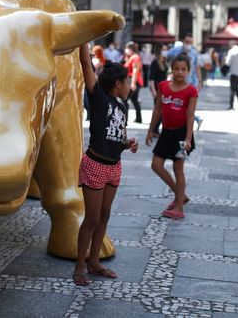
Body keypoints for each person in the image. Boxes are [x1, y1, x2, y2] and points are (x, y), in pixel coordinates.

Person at [73, 43, 138, 286]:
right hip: (95, 165)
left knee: (104, 215)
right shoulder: (97, 96)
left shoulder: (122, 107)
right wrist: (84, 40)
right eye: (127, 81)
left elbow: (116, 136)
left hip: (114, 166)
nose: (130, 85)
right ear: (118, 84)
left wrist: (127, 142)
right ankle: (80, 265)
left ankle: (94, 261)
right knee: (91, 219)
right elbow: (85, 64)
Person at [145, 54, 198, 219]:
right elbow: (157, 110)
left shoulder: (191, 91)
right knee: (156, 165)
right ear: (171, 69)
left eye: (183, 69)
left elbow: (190, 116)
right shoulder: (163, 86)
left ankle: (179, 207)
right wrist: (150, 130)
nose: (179, 72)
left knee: (178, 168)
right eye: (176, 68)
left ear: (188, 71)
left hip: (182, 135)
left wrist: (188, 139)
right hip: (166, 132)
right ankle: (180, 194)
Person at [123, 42, 144, 123]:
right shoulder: (131, 57)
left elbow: (135, 70)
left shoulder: (135, 57)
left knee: (125, 99)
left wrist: (133, 83)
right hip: (134, 81)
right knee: (134, 101)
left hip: (134, 81)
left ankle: (125, 118)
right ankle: (139, 118)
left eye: (127, 48)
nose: (126, 50)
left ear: (131, 49)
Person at [224, 41, 238, 109]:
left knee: (232, 89)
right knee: (236, 88)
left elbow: (227, 63)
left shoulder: (231, 51)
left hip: (234, 73)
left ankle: (231, 105)